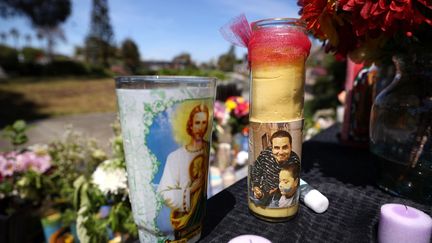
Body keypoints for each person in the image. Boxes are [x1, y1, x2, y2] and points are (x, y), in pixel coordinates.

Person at [157, 104, 209, 240]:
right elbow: (164, 193)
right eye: (197, 123)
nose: (201, 127)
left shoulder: (207, 149)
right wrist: (191, 190)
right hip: (183, 223)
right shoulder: (175, 157)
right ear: (190, 125)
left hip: (200, 224)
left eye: (204, 123)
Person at [250, 130, 300, 207]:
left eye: (285, 147)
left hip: (280, 196)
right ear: (272, 148)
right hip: (262, 190)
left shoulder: (295, 161)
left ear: (291, 146)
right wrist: (256, 186)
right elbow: (256, 170)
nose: (281, 152)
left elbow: (293, 185)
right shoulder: (265, 154)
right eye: (276, 148)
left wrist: (277, 191)